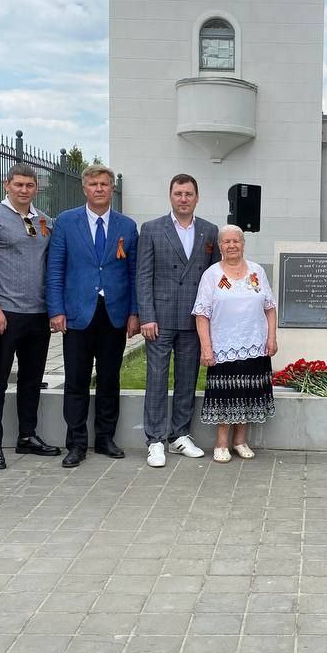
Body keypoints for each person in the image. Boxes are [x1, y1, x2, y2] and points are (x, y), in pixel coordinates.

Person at [0, 163, 62, 471]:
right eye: (18, 184)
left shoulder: (45, 220)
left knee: (32, 379)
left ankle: (27, 435)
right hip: (5, 313)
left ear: (37, 188)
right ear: (6, 185)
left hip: (38, 313)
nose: (24, 190)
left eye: (30, 185)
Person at [47, 164, 140, 468]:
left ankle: (105, 438)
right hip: (77, 313)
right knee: (76, 380)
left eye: (104, 184)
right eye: (93, 184)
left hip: (113, 313)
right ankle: (76, 443)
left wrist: (134, 312)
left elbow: (134, 272)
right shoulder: (66, 222)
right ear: (84, 188)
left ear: (112, 188)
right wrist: (57, 310)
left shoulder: (126, 226)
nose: (99, 189)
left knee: (110, 379)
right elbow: (55, 268)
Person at [136, 173, 220, 468]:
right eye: (178, 194)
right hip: (159, 319)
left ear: (197, 198)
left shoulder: (209, 232)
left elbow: (215, 277)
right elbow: (143, 276)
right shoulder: (152, 229)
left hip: (193, 319)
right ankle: (156, 440)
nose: (183, 199)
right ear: (170, 197)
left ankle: (180, 435)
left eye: (188, 194)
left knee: (187, 379)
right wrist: (146, 315)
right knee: (156, 379)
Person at [192, 225, 278, 461]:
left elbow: (270, 308)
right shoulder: (212, 275)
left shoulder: (257, 272)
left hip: (255, 344)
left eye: (236, 241)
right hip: (223, 346)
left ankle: (240, 441)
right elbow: (202, 314)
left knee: (248, 392)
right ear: (220, 246)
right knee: (225, 393)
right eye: (226, 242)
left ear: (243, 244)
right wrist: (206, 347)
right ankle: (221, 443)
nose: (231, 245)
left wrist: (271, 337)